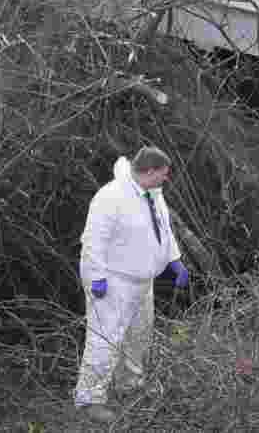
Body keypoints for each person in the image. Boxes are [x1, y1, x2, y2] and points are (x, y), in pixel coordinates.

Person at [73, 146, 190, 423]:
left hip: (142, 282)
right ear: (148, 171)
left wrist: (175, 261)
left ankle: (129, 385)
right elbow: (93, 240)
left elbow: (163, 229)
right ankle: (90, 398)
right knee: (105, 338)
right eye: (163, 173)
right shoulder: (110, 197)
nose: (166, 178)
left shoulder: (153, 194)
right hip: (114, 281)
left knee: (138, 336)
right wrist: (97, 277)